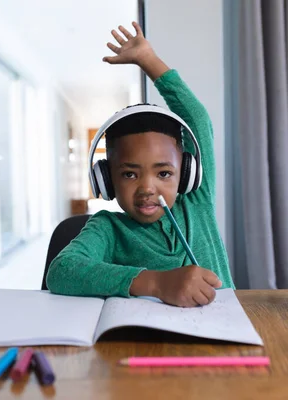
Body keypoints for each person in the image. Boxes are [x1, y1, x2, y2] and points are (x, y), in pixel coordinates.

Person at [46, 22, 234, 307]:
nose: (147, 187)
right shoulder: (108, 228)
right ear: (106, 179)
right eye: (130, 173)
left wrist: (149, 61)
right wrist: (157, 283)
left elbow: (198, 120)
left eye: (164, 173)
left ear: (186, 173)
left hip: (226, 332)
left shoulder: (198, 202)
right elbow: (62, 272)